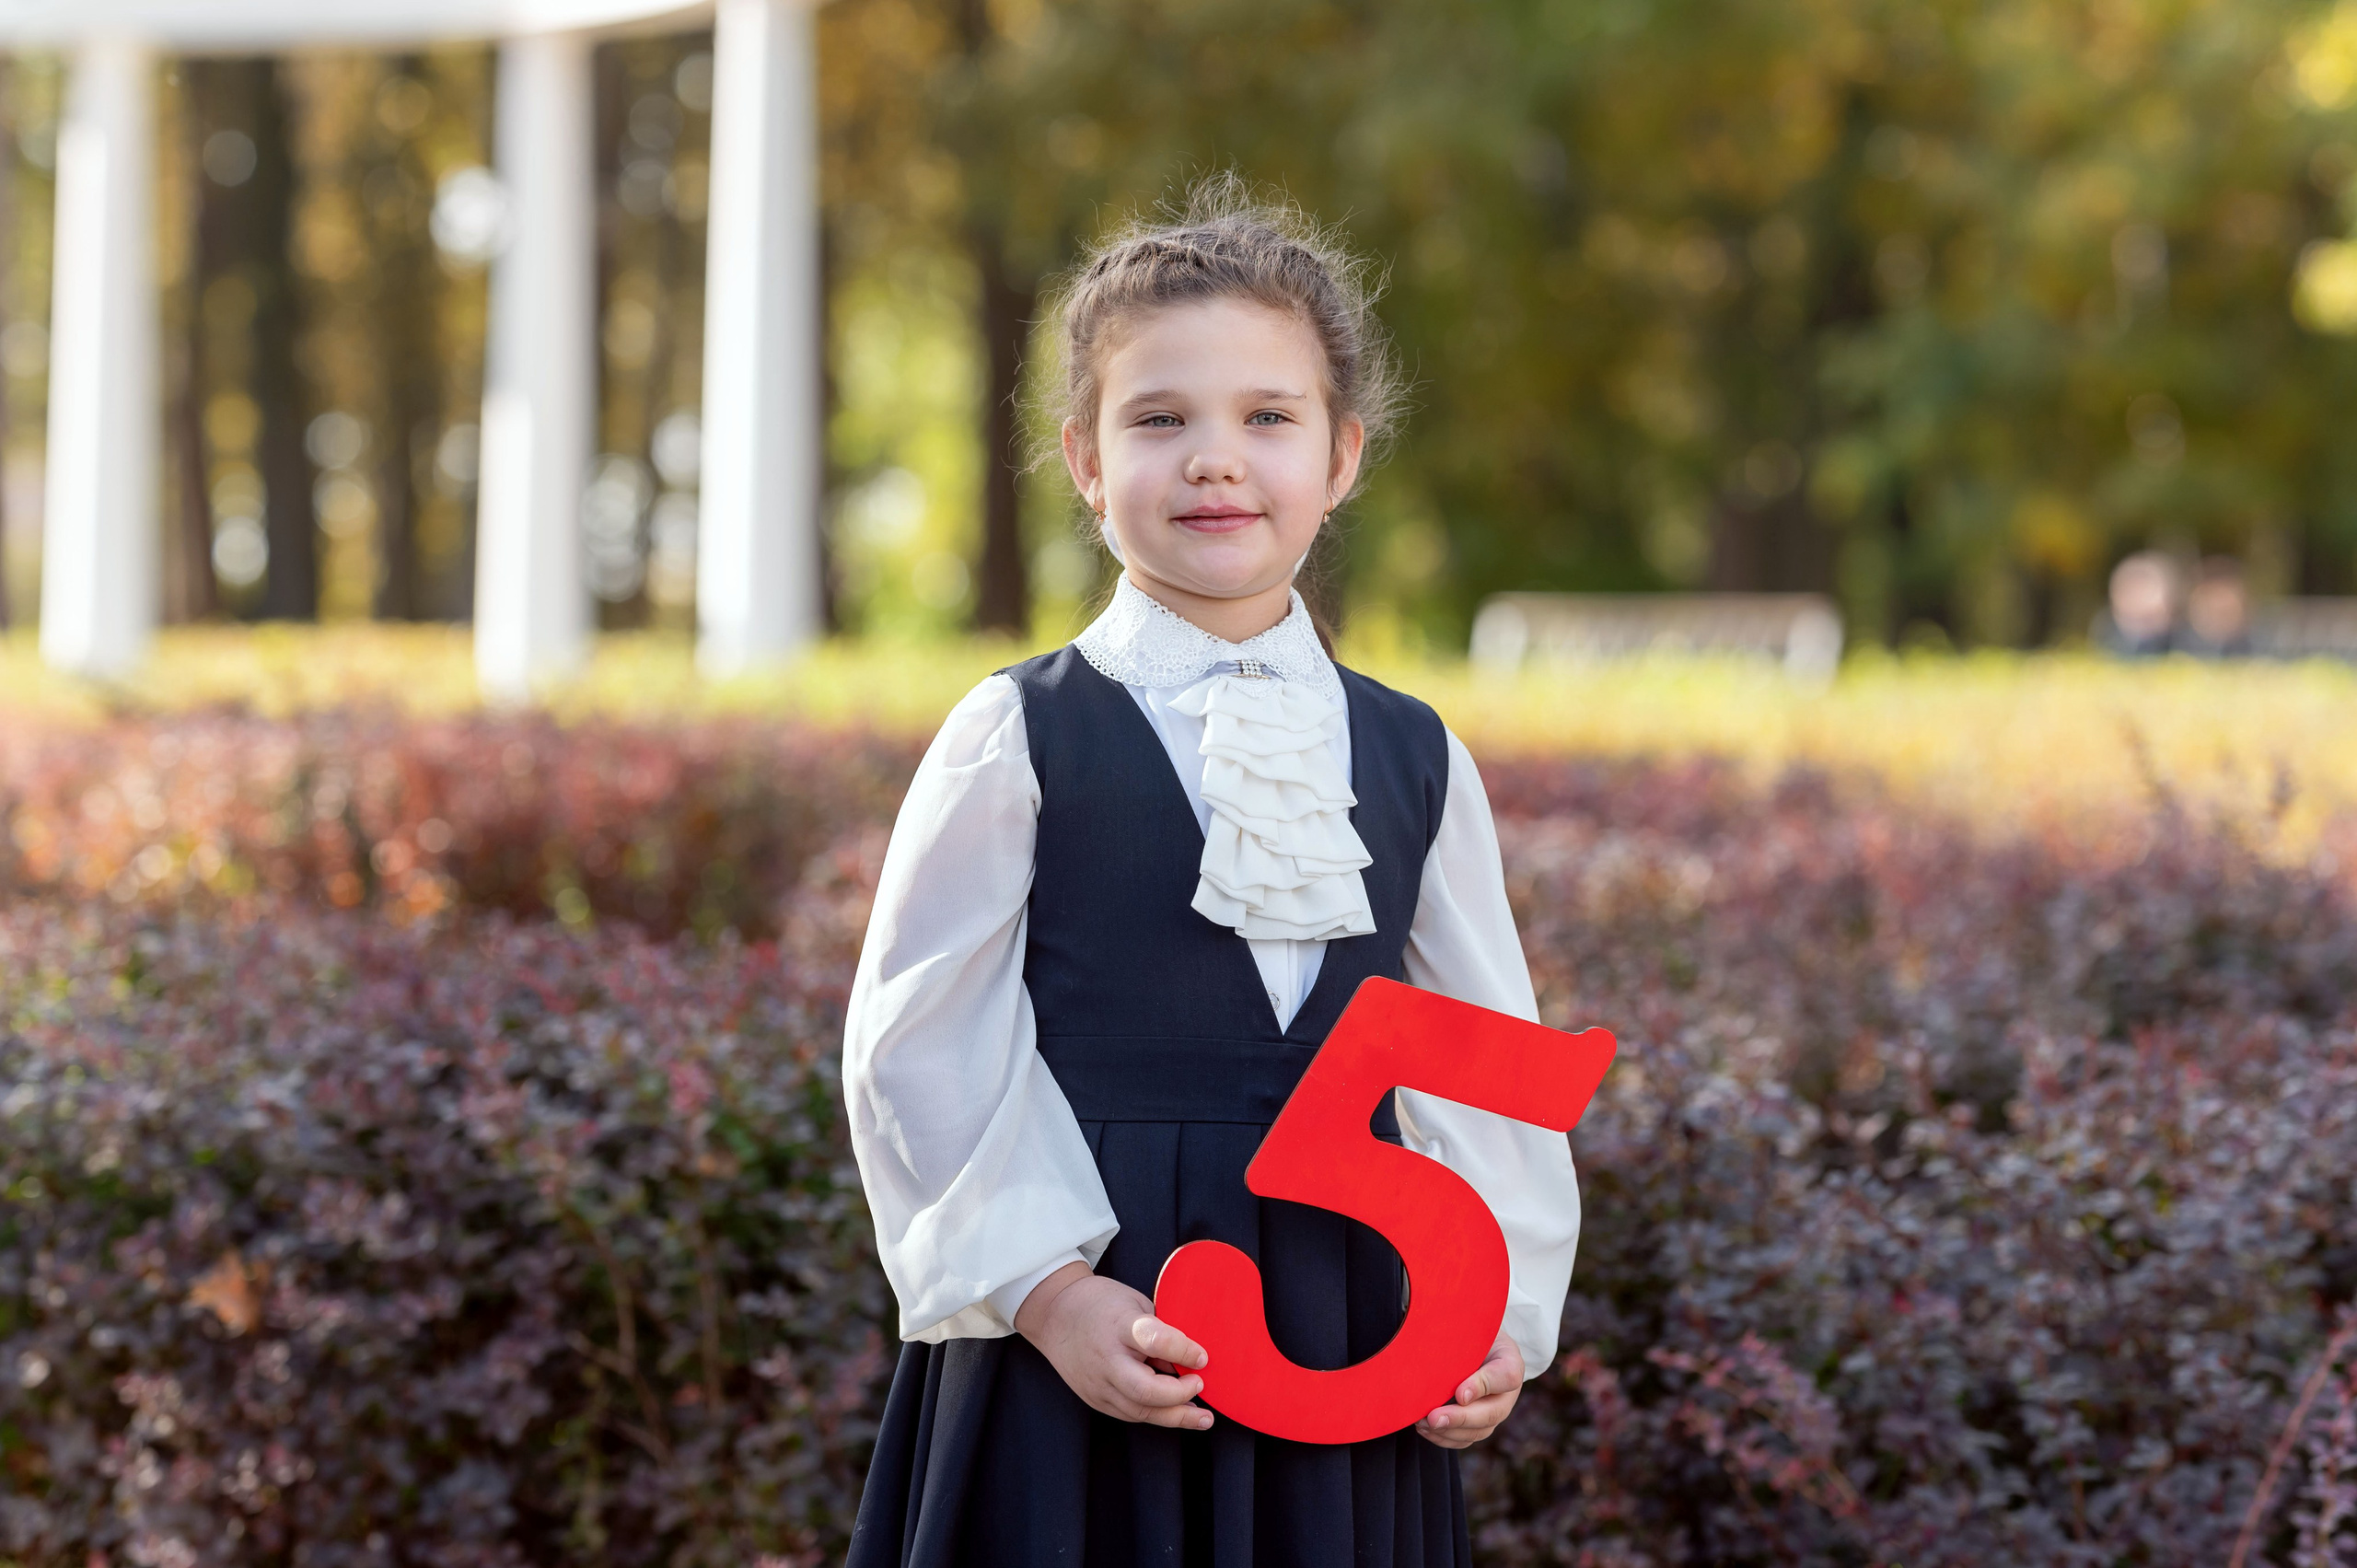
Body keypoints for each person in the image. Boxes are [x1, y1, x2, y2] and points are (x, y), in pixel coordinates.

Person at [841, 178, 1583, 1568]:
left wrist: (1497, 1320)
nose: (1214, 461)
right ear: (1083, 458)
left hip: (1348, 1333)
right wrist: (1051, 1295)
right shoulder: (1017, 734)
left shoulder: (1416, 754)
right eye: (1160, 419)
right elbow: (919, 1044)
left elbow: (1479, 1050)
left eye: (1268, 418)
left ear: (1343, 457)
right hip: (1091, 1332)